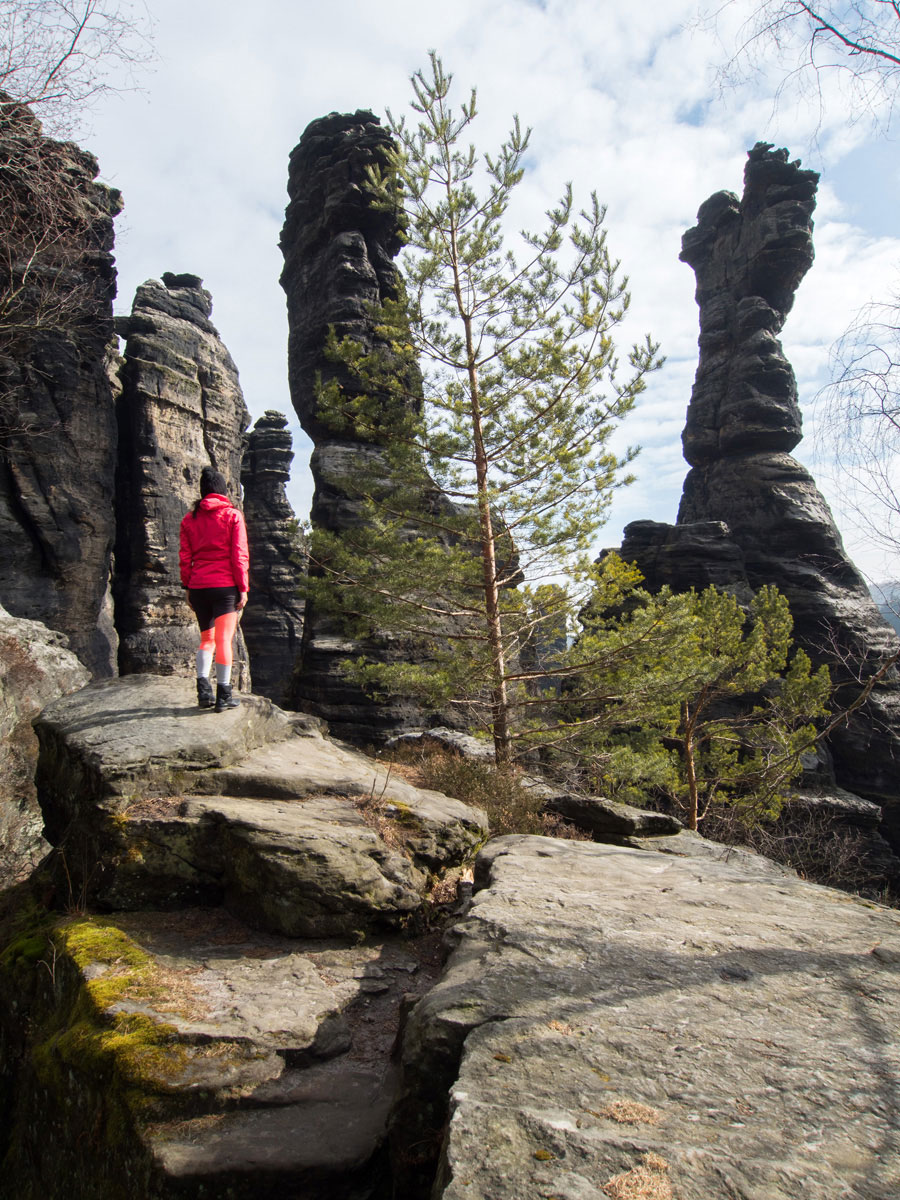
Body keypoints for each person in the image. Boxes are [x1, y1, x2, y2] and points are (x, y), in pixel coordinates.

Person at [179, 466, 249, 713]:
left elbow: (185, 557)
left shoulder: (190, 519)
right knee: (223, 640)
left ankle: (203, 692)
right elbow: (239, 555)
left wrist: (187, 586)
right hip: (225, 587)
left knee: (207, 639)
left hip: (198, 586)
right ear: (221, 490)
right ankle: (223, 696)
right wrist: (243, 588)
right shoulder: (232, 516)